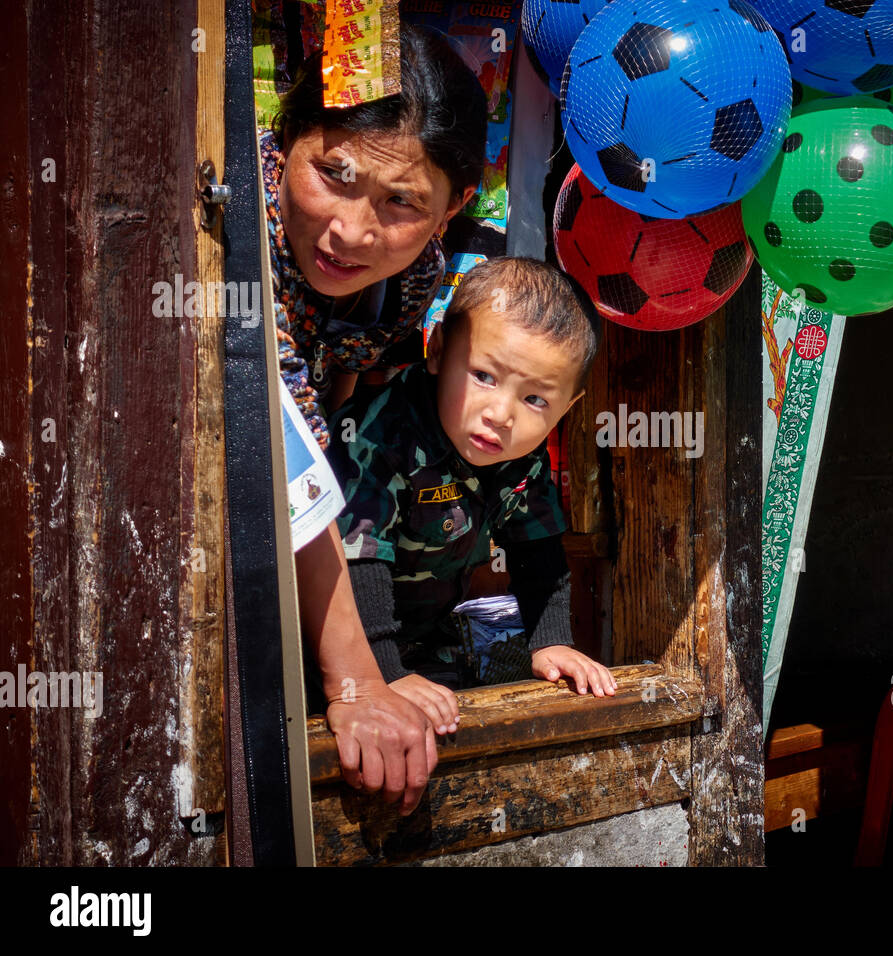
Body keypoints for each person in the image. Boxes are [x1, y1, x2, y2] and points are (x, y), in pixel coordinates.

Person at [261, 23, 488, 815]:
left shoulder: (418, 275)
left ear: (455, 206)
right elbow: (284, 447)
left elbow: (338, 430)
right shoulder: (234, 245)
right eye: (332, 174)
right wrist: (357, 679)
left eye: (401, 204)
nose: (352, 232)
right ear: (286, 139)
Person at [326, 257, 616, 730]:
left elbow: (537, 548)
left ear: (568, 408)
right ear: (437, 349)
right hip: (334, 649)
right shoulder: (379, 436)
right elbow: (354, 559)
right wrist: (382, 674)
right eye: (484, 376)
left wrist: (551, 642)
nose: (501, 413)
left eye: (535, 399)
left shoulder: (523, 456)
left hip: (425, 636)